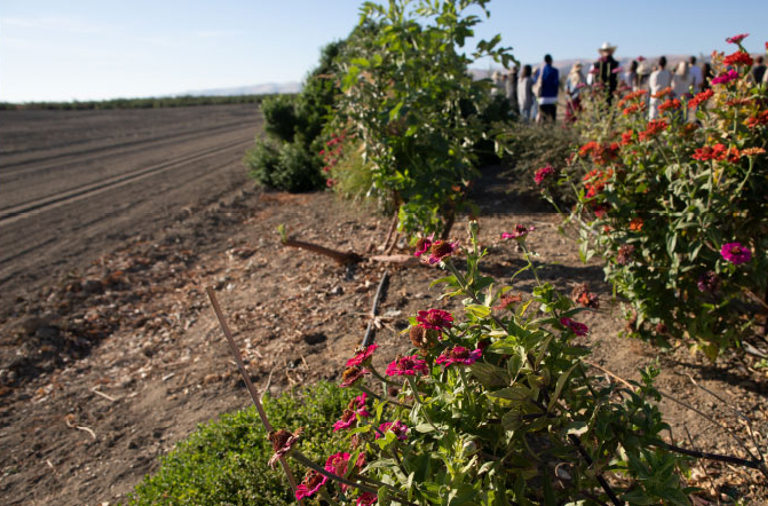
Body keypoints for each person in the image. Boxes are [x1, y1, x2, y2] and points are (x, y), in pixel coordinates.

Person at [537, 54, 559, 122]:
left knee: (544, 118)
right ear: (551, 61)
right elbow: (556, 83)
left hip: (542, 98)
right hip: (552, 97)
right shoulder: (555, 71)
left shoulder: (540, 71)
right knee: (553, 117)